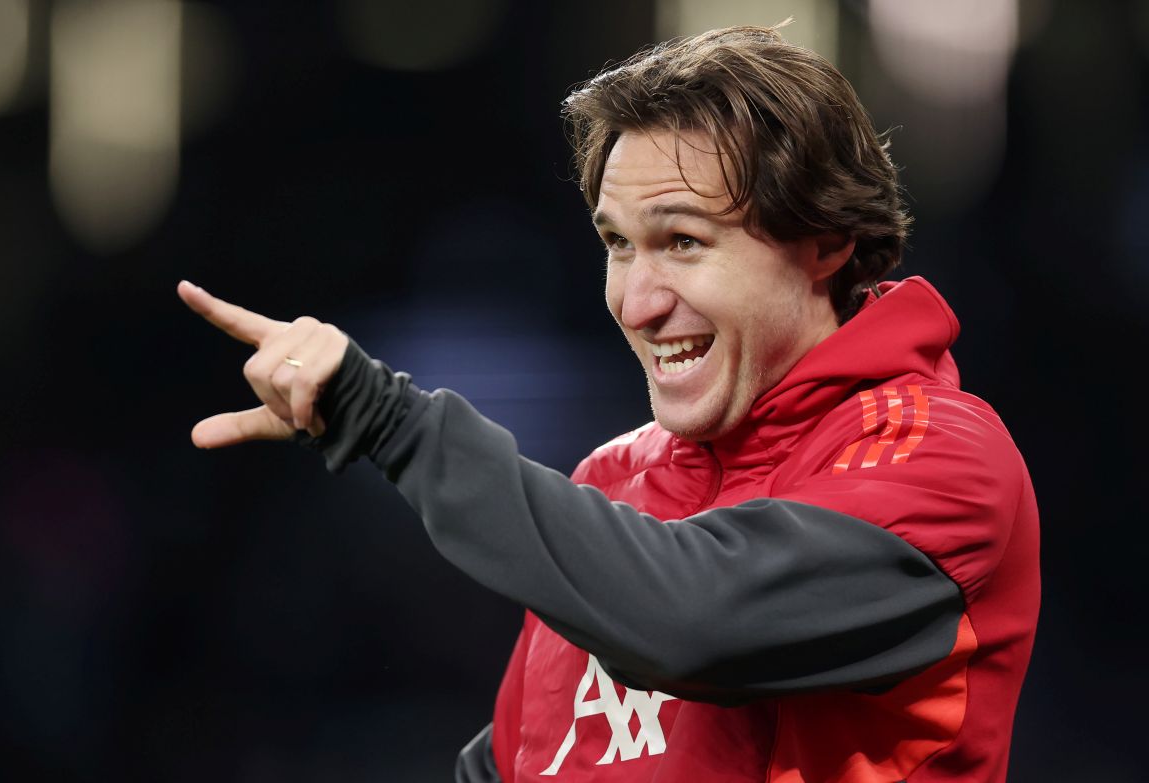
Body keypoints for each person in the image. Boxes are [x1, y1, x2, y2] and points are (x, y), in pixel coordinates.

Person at [178, 25, 1039, 783]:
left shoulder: (942, 457)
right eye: (618, 245)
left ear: (827, 242)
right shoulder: (613, 484)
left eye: (684, 241)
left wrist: (389, 422)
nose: (637, 301)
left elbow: (695, 620)